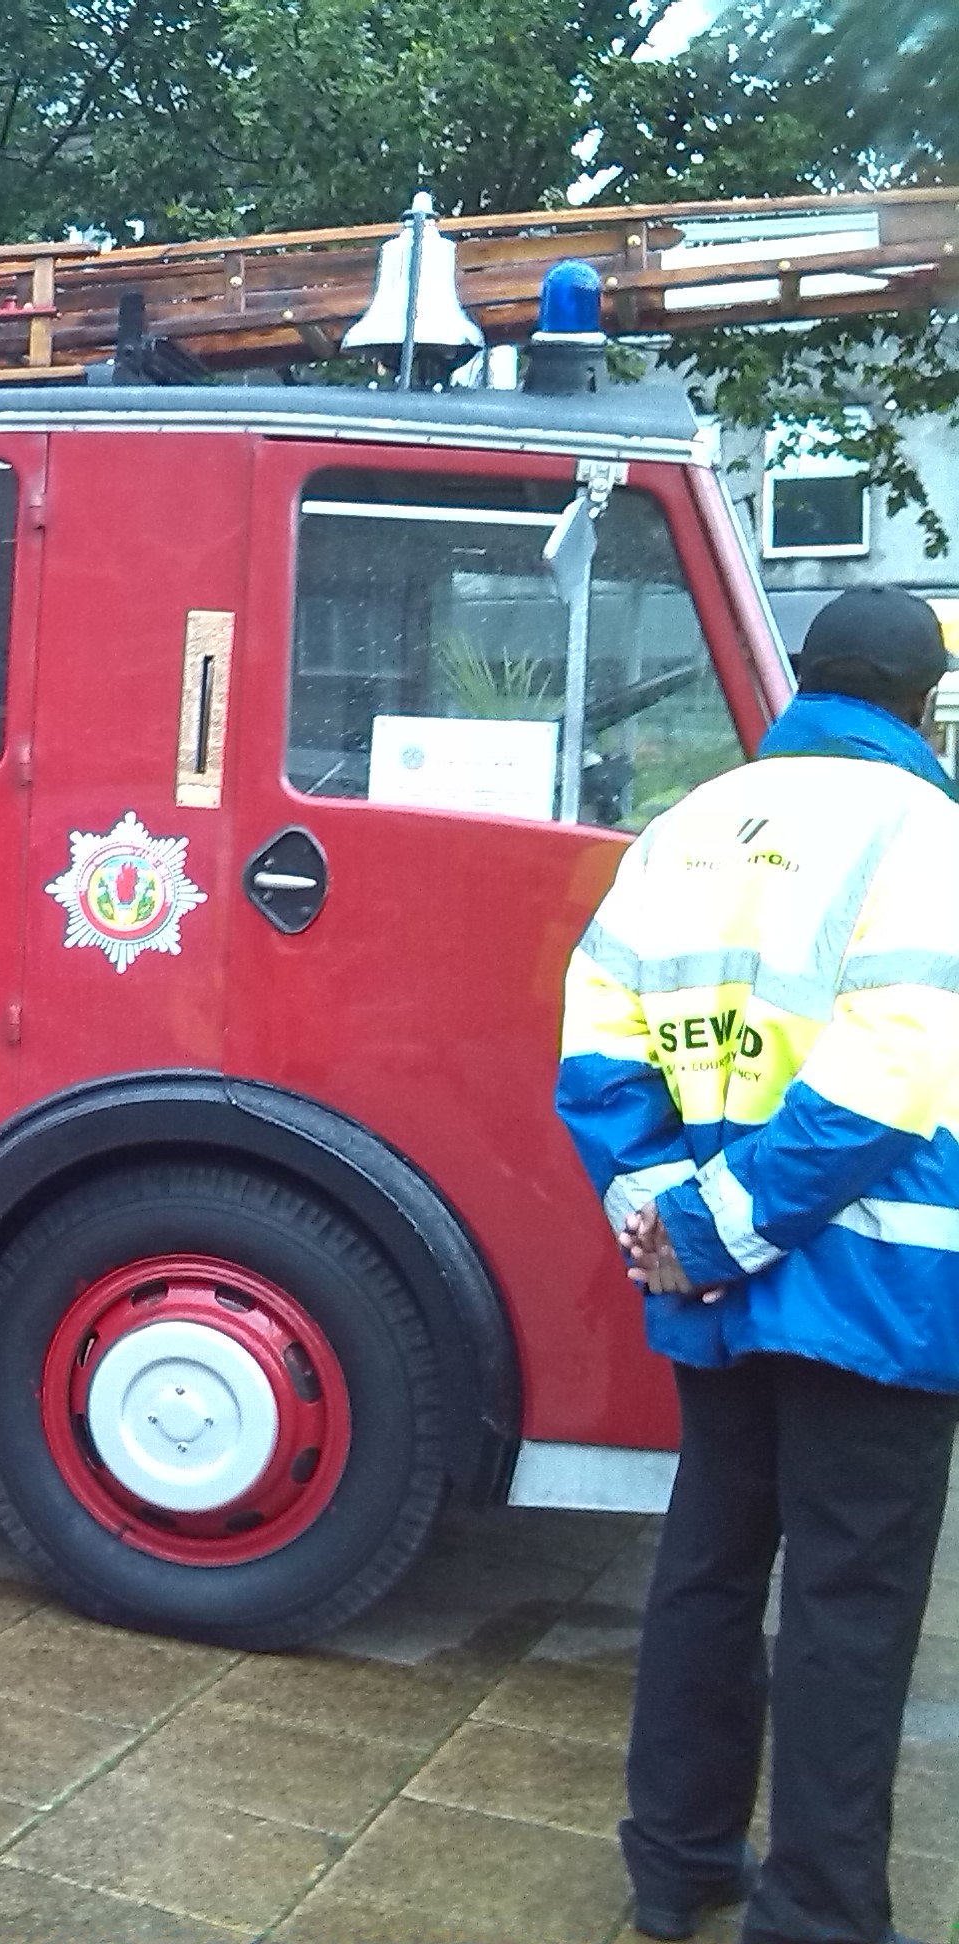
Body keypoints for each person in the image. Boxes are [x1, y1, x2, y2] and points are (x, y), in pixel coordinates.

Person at [557, 584, 959, 1944]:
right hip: (878, 1290)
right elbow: (889, 1073)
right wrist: (728, 1223)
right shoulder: (927, 833)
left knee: (711, 1566)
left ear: (811, 678)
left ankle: (675, 1865)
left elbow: (597, 1038)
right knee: (849, 1607)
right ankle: (821, 1916)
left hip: (710, 1288)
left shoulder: (686, 827)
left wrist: (674, 1215)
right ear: (919, 702)